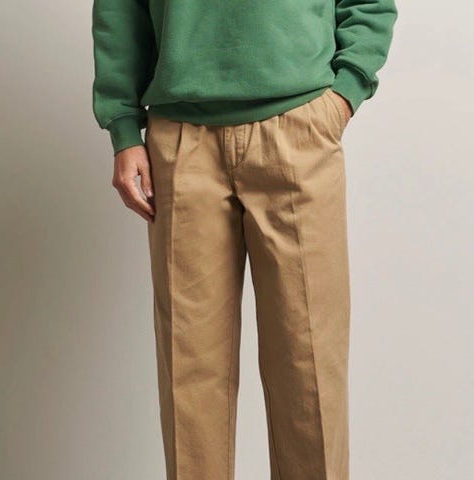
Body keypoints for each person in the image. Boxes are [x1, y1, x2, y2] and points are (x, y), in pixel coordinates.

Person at [91, 1, 397, 478]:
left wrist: (345, 93)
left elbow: (369, 4)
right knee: (189, 367)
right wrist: (124, 129)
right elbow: (120, 10)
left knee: (308, 361)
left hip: (298, 126)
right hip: (181, 137)